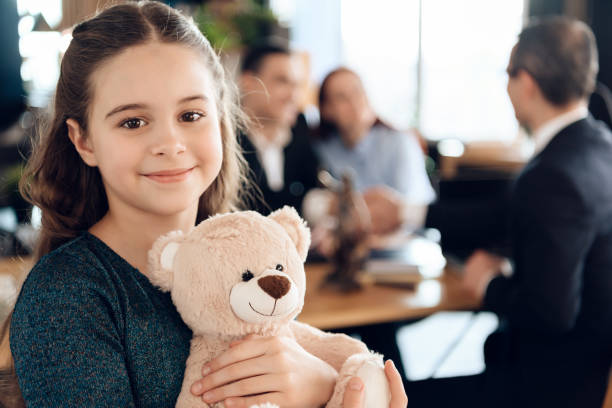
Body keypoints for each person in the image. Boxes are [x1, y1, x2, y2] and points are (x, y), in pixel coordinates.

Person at [0, 2, 406, 407]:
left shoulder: (248, 256)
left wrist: (324, 384)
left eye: (191, 114)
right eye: (133, 122)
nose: (170, 144)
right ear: (84, 140)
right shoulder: (66, 298)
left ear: (221, 121)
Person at [407, 16, 612, 408]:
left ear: (527, 82)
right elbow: (519, 215)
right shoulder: (599, 144)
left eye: (508, 74)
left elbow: (550, 313)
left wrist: (489, 282)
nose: (505, 86)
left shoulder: (554, 174)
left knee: (395, 396)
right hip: (589, 365)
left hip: (556, 386)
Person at [312, 67, 436, 235]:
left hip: (406, 239)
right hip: (351, 241)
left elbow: (414, 206)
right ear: (326, 109)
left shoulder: (400, 142)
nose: (354, 102)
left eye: (357, 92)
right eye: (342, 97)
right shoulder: (322, 148)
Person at [238, 43, 320, 215]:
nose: (294, 95)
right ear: (248, 82)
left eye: (297, 85)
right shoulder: (223, 137)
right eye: (282, 81)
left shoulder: (301, 127)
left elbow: (315, 185)